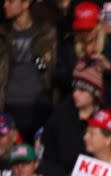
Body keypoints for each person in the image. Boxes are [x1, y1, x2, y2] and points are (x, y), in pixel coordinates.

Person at [0, 0, 57, 142]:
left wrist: (37, 58)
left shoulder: (45, 32)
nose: (5, 5)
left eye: (11, 1)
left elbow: (48, 69)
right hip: (9, 103)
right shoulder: (2, 34)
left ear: (25, 4)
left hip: (38, 103)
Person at [39, 60, 103, 174]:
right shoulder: (60, 115)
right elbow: (47, 152)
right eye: (75, 89)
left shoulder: (104, 120)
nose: (75, 94)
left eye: (82, 90)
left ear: (94, 94)